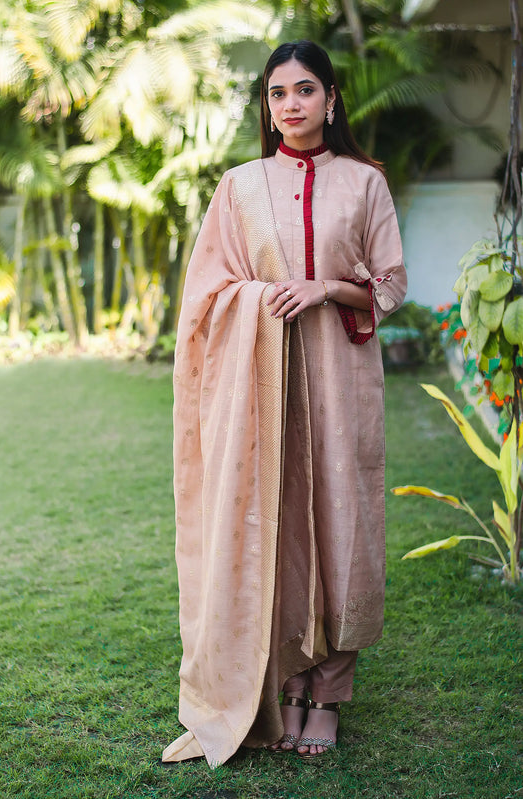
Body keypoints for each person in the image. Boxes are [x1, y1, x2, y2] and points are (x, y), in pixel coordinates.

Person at [162, 39, 407, 768]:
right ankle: (287, 681)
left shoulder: (364, 183)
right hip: (259, 393)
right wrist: (260, 298)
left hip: (340, 382)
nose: (291, 104)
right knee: (274, 522)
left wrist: (324, 288)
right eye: (277, 93)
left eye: (305, 90)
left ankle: (327, 692)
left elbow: (391, 285)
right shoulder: (238, 187)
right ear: (266, 109)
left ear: (331, 100)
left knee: (340, 521)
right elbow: (205, 295)